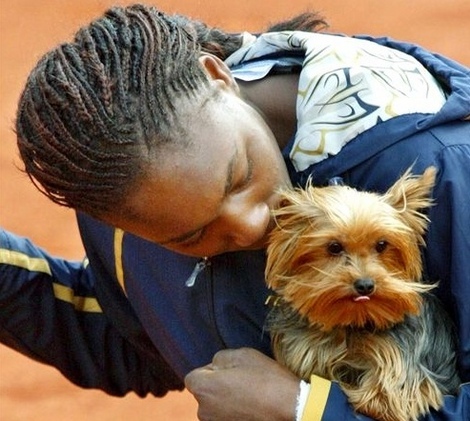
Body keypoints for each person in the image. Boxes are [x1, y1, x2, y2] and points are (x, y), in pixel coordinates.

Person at [1, 3, 469, 420]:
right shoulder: (123, 188)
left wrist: (309, 411)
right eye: (191, 238)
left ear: (217, 75)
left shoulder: (436, 164)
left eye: (239, 176)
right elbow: (144, 332)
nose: (252, 224)